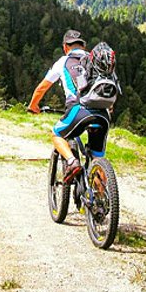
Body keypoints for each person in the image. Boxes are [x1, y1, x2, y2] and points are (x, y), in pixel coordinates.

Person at [27, 29, 97, 184]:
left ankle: (72, 162)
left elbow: (42, 88)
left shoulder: (63, 62)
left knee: (57, 133)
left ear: (66, 47)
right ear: (83, 47)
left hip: (78, 109)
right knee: (97, 158)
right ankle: (102, 200)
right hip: (102, 112)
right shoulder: (95, 60)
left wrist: (33, 106)